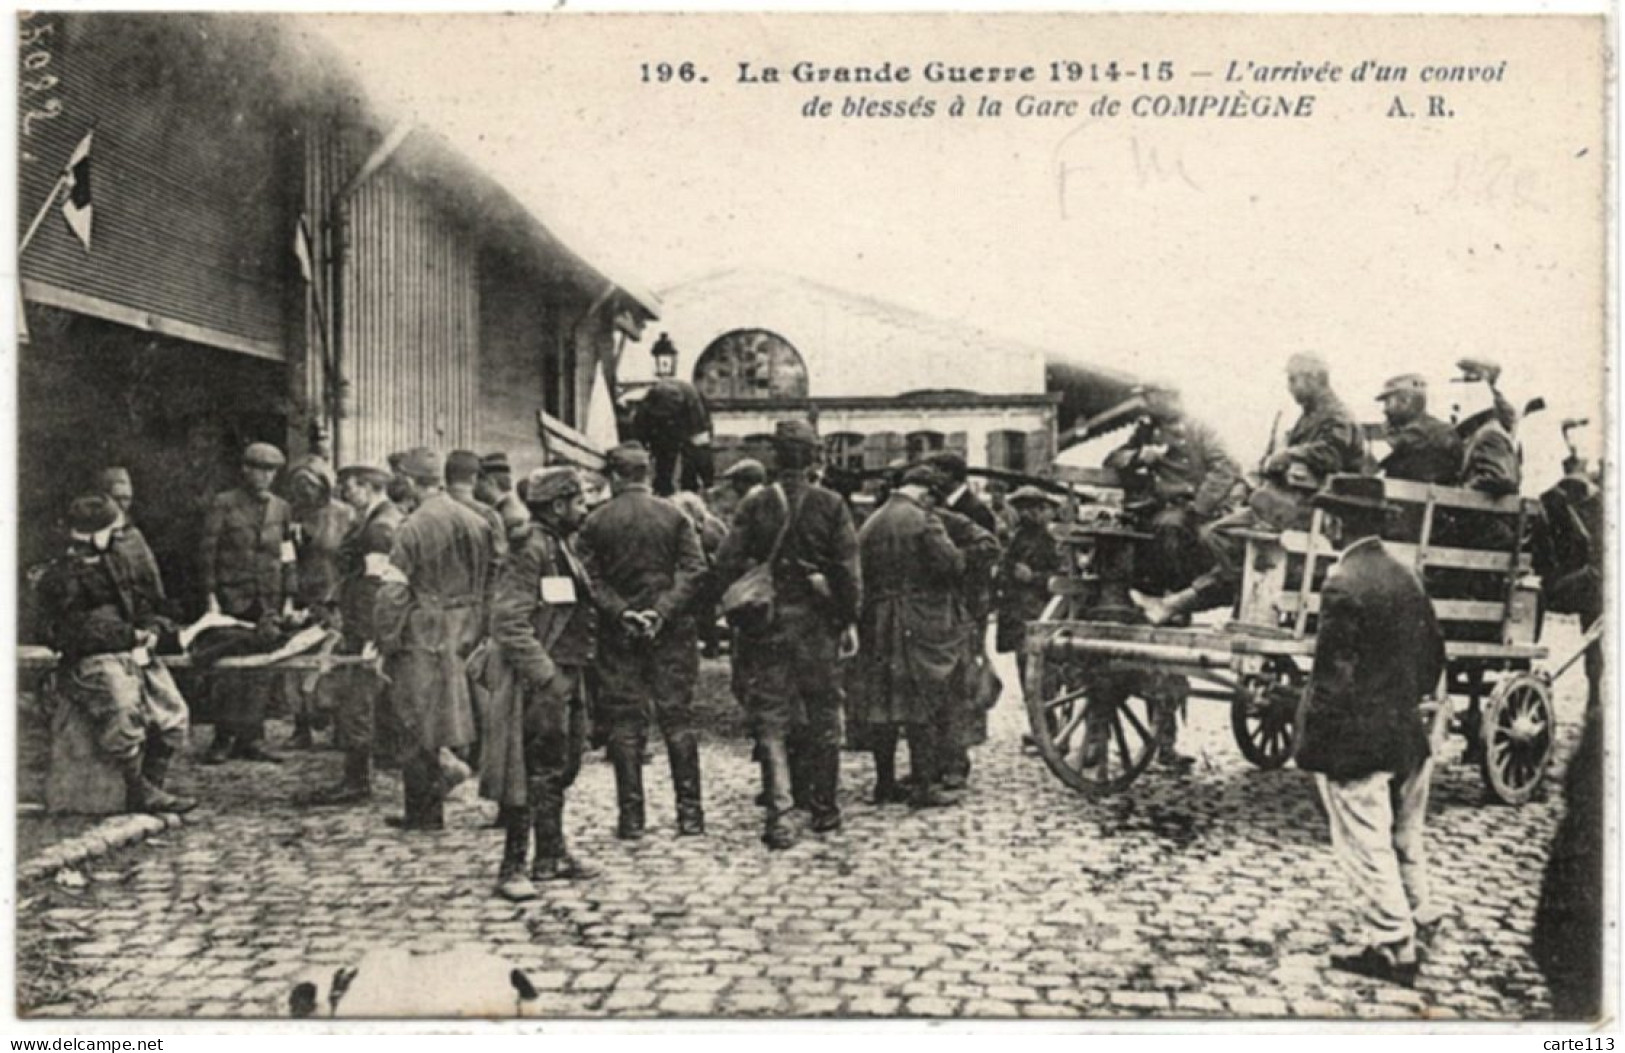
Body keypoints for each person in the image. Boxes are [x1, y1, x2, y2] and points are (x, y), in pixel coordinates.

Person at [1293, 475, 1446, 988]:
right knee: (1406, 837)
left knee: (1366, 844)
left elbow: (1332, 677)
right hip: (1406, 734)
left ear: (1339, 521)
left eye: (1330, 516)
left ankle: (1395, 947)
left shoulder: (1343, 583)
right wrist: (1401, 702)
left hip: (1359, 741)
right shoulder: (1406, 576)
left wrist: (1315, 743)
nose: (1328, 524)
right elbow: (1433, 659)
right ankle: (1423, 914)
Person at [715, 420, 862, 849]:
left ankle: (778, 817)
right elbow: (850, 575)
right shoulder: (832, 505)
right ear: (814, 457)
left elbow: (726, 563)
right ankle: (824, 810)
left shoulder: (756, 504)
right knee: (823, 717)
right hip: (818, 628)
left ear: (775, 457)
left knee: (772, 720)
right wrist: (847, 618)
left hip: (768, 627)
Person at [1139, 353, 1364, 626]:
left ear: (1315, 379)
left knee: (1227, 539)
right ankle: (1221, 601)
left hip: (1312, 511)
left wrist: (1288, 454)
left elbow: (1331, 455)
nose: (1290, 387)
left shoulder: (1337, 415)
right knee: (1217, 534)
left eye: (1294, 380)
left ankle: (1183, 602)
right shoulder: (1311, 416)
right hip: (1282, 505)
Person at [577, 442, 708, 839]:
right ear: (647, 475)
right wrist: (662, 611)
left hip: (619, 637)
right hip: (671, 634)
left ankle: (631, 818)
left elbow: (587, 578)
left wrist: (621, 612)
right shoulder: (676, 516)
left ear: (614, 477)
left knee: (625, 725)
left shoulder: (596, 521)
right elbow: (694, 569)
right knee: (677, 720)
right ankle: (690, 815)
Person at [35, 494, 196, 814]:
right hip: (91, 660)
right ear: (95, 535)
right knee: (123, 712)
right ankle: (137, 789)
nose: (118, 535)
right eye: (112, 529)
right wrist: (129, 635)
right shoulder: (59, 577)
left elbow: (143, 604)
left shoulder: (116, 562)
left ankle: (151, 785)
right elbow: (70, 632)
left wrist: (153, 629)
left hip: (133, 653)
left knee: (171, 709)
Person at [483, 467, 600, 899]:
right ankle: (512, 867)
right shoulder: (529, 549)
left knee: (561, 766)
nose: (585, 510)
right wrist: (545, 675)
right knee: (529, 771)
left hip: (568, 672)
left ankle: (550, 855)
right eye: (580, 502)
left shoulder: (557, 545)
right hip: (541, 679)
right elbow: (508, 621)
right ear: (558, 506)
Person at [374, 448, 495, 830]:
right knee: (482, 716)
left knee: (417, 718)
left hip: (426, 632)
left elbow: (393, 592)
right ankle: (507, 806)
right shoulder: (476, 521)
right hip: (470, 626)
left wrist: (385, 639)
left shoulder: (412, 527)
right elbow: (495, 581)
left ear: (409, 482)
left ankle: (424, 814)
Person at [852, 465, 967, 809]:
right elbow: (951, 564)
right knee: (922, 697)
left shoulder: (871, 522)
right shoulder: (924, 520)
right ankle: (924, 786)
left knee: (882, 703)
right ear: (927, 493)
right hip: (917, 620)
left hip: (877, 621)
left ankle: (884, 784)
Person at [301, 465, 403, 806]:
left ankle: (356, 781)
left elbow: (377, 586)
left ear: (369, 487)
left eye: (351, 486)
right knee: (373, 703)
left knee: (357, 704)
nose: (345, 492)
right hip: (363, 623)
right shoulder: (373, 520)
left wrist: (372, 633)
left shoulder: (380, 528)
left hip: (367, 627)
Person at [199, 442, 297, 764]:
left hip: (268, 597)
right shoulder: (224, 504)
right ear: (245, 469)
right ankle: (223, 738)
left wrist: (289, 597)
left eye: (271, 471)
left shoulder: (281, 508)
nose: (264, 476)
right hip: (233, 597)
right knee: (228, 670)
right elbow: (208, 552)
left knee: (261, 669)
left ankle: (252, 738)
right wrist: (211, 596)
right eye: (258, 469)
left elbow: (288, 555)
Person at [1106, 387, 1247, 599]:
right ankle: (1137, 597)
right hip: (1152, 506)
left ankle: (1174, 599)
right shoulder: (1146, 431)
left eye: (1150, 397)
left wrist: (1201, 506)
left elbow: (1226, 468)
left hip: (1189, 507)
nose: (1146, 403)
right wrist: (1138, 456)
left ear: (1170, 398)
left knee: (1169, 527)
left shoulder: (1200, 429)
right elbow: (1112, 459)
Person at [284, 455, 354, 748]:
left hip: (334, 594)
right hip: (302, 595)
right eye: (299, 486)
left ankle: (340, 724)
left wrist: (340, 596)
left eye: (310, 485)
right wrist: (288, 597)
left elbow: (352, 560)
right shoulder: (290, 516)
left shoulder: (345, 515)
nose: (305, 492)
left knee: (334, 661)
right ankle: (301, 726)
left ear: (324, 486)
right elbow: (285, 558)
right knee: (294, 661)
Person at [994, 486, 1063, 687]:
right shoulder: (1017, 538)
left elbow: (1062, 578)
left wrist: (1033, 577)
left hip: (1038, 611)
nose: (1025, 514)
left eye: (1031, 508)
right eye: (1021, 508)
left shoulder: (1049, 540)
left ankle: (1045, 716)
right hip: (1018, 613)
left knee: (1039, 677)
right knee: (1026, 672)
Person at [96, 467, 168, 621]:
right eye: (117, 499)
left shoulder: (134, 535)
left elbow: (151, 577)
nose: (122, 505)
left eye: (126, 498)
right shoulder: (93, 535)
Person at [631, 375, 716, 497]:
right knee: (664, 459)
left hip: (688, 428)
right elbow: (638, 438)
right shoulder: (646, 408)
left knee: (692, 459)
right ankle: (663, 490)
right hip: (660, 433)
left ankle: (689, 490)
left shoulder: (693, 403)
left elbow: (701, 445)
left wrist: (708, 482)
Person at [1374, 374, 1462, 485]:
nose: (1385, 410)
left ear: (1405, 401)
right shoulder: (1444, 431)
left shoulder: (1414, 437)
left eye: (1388, 403)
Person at [1453, 358, 1522, 497]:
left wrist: (1460, 493)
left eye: (1469, 379)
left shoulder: (1490, 435)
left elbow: (1501, 477)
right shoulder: (1485, 431)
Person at [924, 451, 998, 534]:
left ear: (949, 473)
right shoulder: (939, 503)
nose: (931, 477)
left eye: (935, 471)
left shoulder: (978, 511)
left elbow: (986, 544)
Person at [477, 451, 531, 546]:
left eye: (479, 481)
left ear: (489, 481)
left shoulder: (511, 515)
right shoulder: (511, 507)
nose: (475, 487)